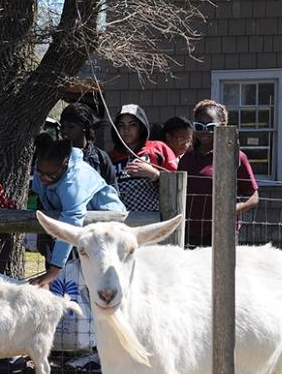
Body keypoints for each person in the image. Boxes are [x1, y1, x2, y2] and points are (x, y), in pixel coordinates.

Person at [30, 136, 126, 288]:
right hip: (75, 233)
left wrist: (53, 271)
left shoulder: (75, 182)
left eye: (50, 175)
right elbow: (41, 195)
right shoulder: (42, 167)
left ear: (64, 164)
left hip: (106, 231)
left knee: (98, 286)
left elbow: (70, 224)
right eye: (40, 173)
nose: (43, 179)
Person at [177, 99, 259, 247]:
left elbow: (253, 198)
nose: (205, 131)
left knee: (220, 271)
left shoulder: (236, 157)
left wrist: (231, 210)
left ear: (222, 126)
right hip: (188, 232)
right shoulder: (187, 158)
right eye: (200, 126)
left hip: (221, 232)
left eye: (211, 126)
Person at [109, 104, 178, 212]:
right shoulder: (110, 158)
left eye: (132, 125)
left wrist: (154, 174)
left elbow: (177, 184)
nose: (126, 130)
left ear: (141, 127)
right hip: (120, 222)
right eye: (121, 125)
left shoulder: (158, 149)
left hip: (154, 220)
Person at [59, 103, 117, 190]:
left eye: (71, 127)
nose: (65, 131)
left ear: (84, 127)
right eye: (63, 127)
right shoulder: (56, 156)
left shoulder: (101, 157)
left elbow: (113, 191)